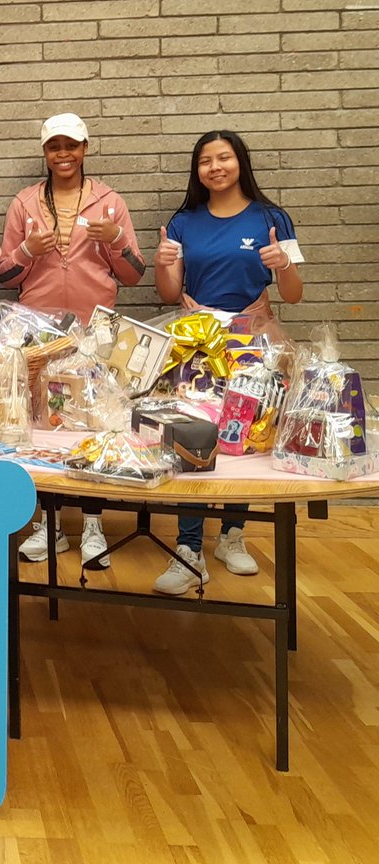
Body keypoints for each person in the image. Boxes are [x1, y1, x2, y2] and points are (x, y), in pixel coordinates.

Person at [152, 129, 304, 594]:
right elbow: (169, 293)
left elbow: (294, 295)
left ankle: (232, 536)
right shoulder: (183, 222)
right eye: (205, 160)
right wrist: (162, 262)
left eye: (224, 158)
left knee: (249, 438)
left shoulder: (273, 218)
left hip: (254, 344)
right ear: (197, 170)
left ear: (241, 162)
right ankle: (188, 548)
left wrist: (283, 264)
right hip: (197, 350)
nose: (215, 167)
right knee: (193, 438)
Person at [0, 114, 145, 569]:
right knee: (42, 429)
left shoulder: (109, 201)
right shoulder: (25, 203)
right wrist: (28, 252)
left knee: (95, 428)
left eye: (72, 145)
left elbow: (136, 274)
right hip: (39, 333)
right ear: (45, 152)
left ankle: (94, 524)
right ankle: (49, 524)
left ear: (85, 148)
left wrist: (116, 241)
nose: (63, 154)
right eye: (54, 146)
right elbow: (4, 273)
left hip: (96, 332)